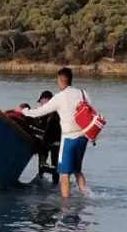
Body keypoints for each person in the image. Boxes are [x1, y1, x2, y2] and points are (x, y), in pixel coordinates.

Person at [20, 67, 90, 198]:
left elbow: (39, 112)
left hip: (69, 138)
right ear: (71, 79)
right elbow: (90, 112)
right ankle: (85, 195)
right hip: (84, 137)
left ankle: (65, 204)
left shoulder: (60, 97)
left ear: (60, 80)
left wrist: (23, 111)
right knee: (77, 170)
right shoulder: (83, 93)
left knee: (64, 174)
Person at [35, 91, 61, 185]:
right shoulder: (58, 111)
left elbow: (41, 127)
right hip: (57, 142)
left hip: (47, 142)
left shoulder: (47, 112)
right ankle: (55, 184)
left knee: (42, 164)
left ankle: (40, 180)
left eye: (41, 101)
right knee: (55, 165)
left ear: (46, 100)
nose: (40, 104)